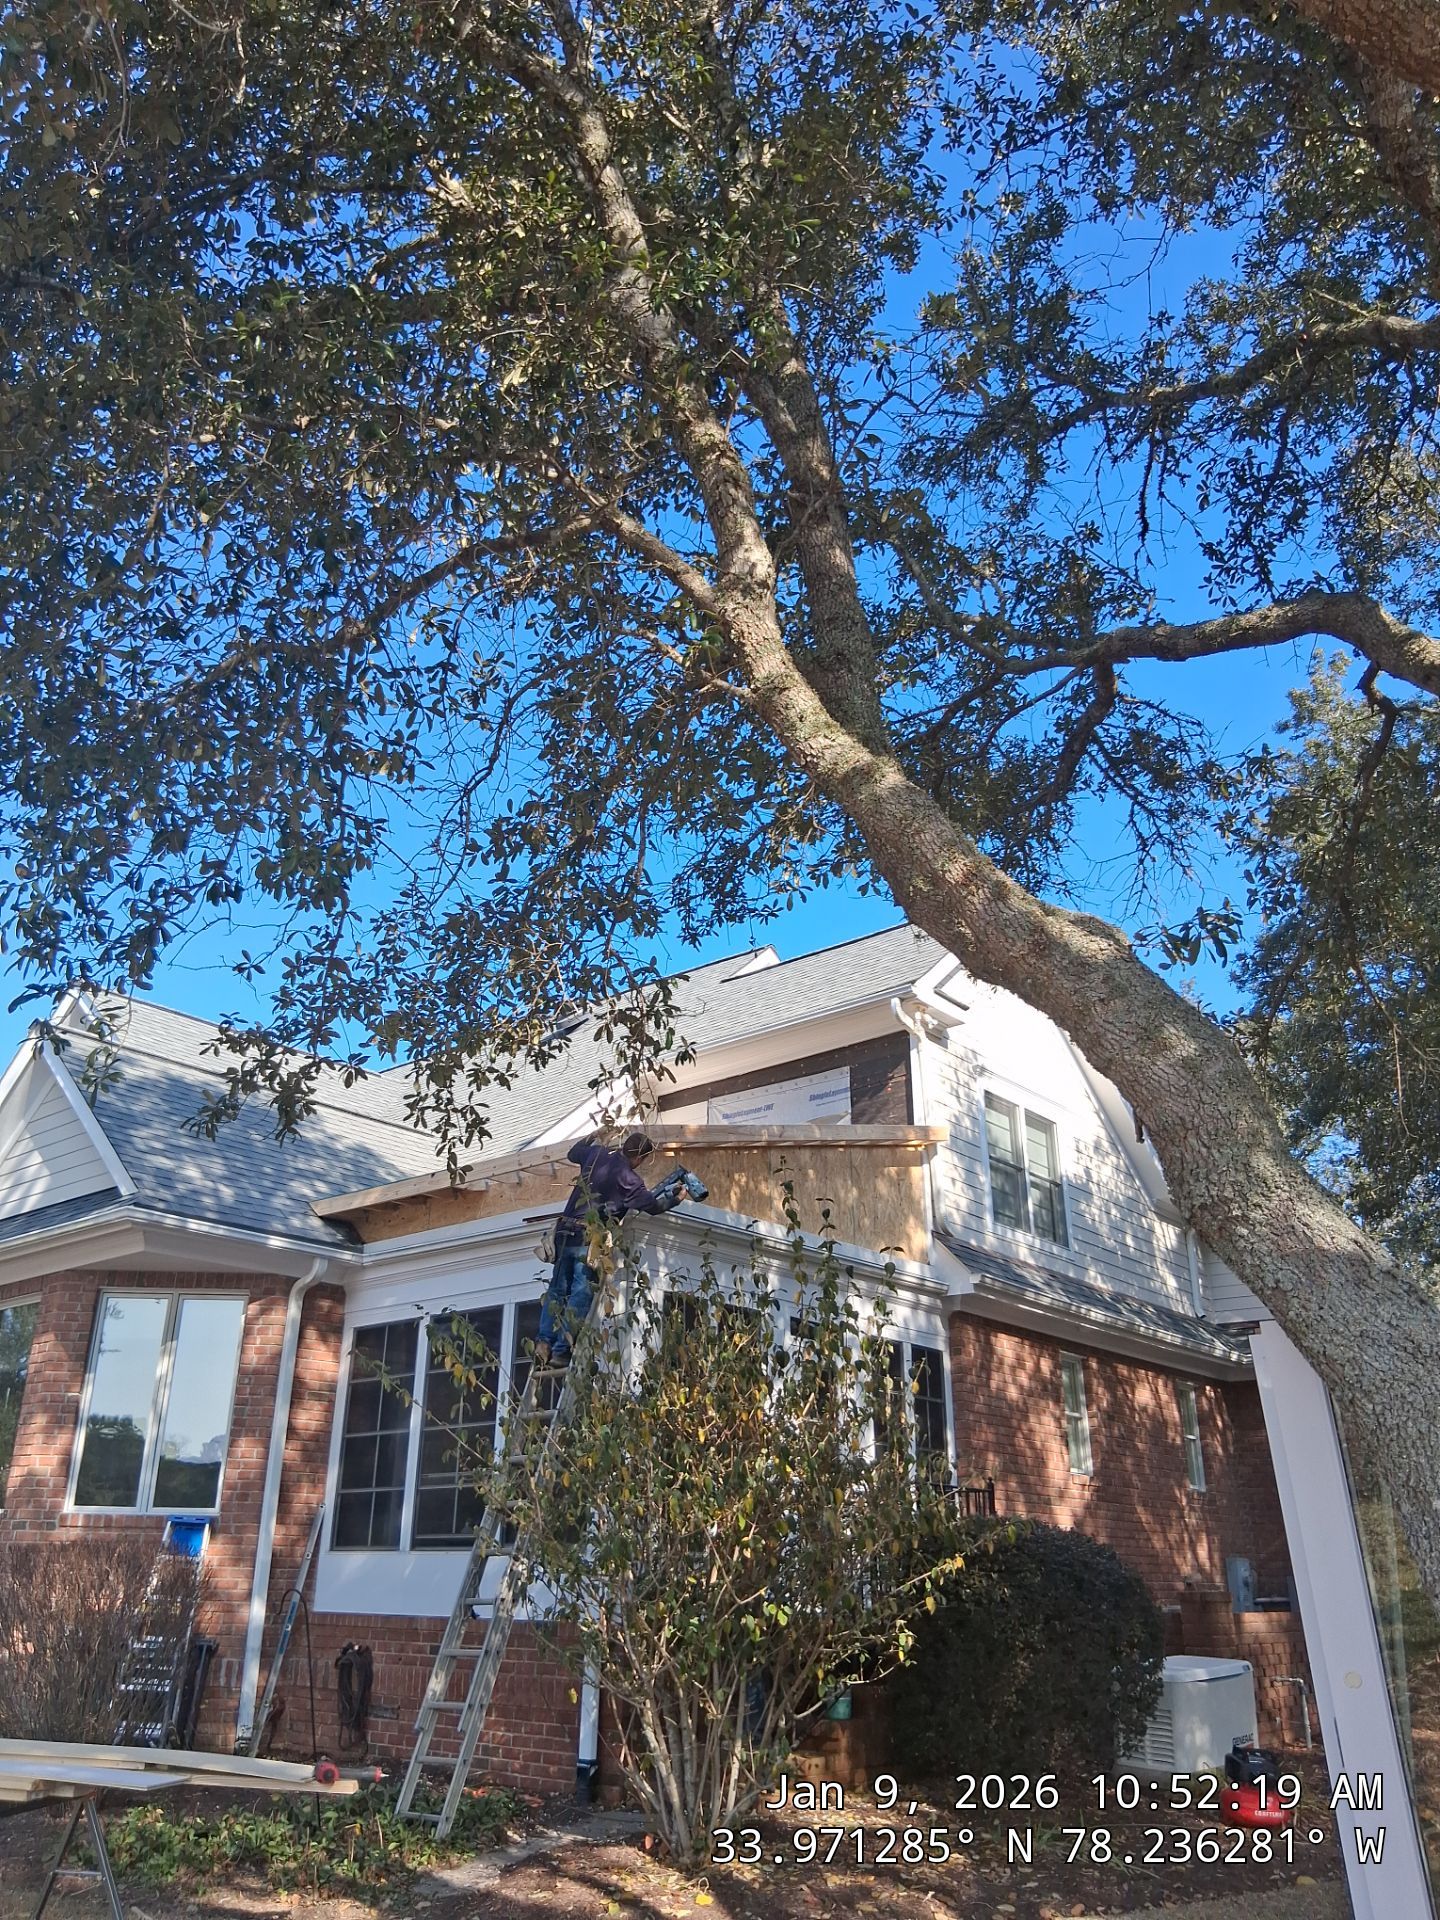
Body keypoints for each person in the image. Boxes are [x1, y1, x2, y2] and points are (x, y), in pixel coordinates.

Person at [535, 1132, 706, 1365]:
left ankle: (543, 1343)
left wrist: (592, 1137)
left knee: (557, 1291)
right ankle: (561, 1350)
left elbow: (573, 1153)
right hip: (588, 1238)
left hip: (564, 1232)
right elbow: (653, 1207)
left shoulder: (596, 1155)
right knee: (580, 1292)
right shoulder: (630, 1180)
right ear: (640, 1158)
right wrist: (676, 1198)